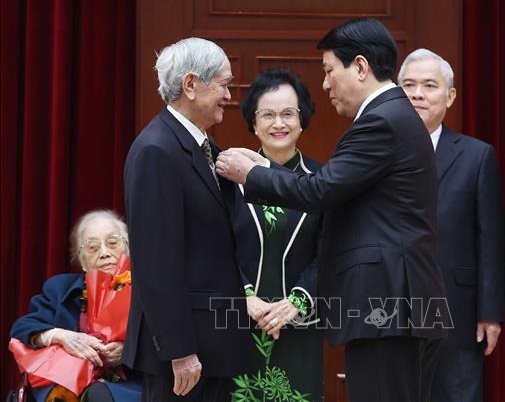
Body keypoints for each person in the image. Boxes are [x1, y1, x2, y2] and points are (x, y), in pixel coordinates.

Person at [216, 18, 448, 402]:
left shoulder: (381, 121)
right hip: (396, 308)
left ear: (359, 66)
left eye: (328, 71)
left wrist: (251, 174)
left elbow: (320, 189)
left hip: (387, 308)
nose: (324, 85)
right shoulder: (393, 116)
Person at [122, 37, 251, 401]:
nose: (229, 95)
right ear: (191, 85)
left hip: (210, 346)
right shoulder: (156, 151)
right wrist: (180, 351)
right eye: (224, 84)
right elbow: (155, 263)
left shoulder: (200, 146)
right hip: (183, 355)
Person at [397, 48, 503, 402]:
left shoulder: (477, 155)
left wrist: (489, 313)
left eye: (429, 85)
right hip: (389, 306)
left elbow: (489, 239)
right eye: (408, 85)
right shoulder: (374, 152)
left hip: (455, 308)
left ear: (450, 96)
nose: (417, 94)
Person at [232, 67, 323, 399]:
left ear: (302, 119)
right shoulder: (230, 180)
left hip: (298, 329)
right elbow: (216, 248)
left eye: (288, 113)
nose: (278, 123)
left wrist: (296, 302)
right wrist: (244, 296)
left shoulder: (322, 181)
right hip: (237, 326)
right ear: (253, 122)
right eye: (267, 114)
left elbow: (329, 253)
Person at [10, 210, 141, 402]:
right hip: (70, 383)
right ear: (81, 260)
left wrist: (129, 351)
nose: (104, 253)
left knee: (99, 395)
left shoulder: (145, 291)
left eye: (113, 243)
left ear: (128, 248)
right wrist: (62, 337)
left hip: (130, 385)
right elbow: (23, 327)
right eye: (92, 247)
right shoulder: (59, 288)